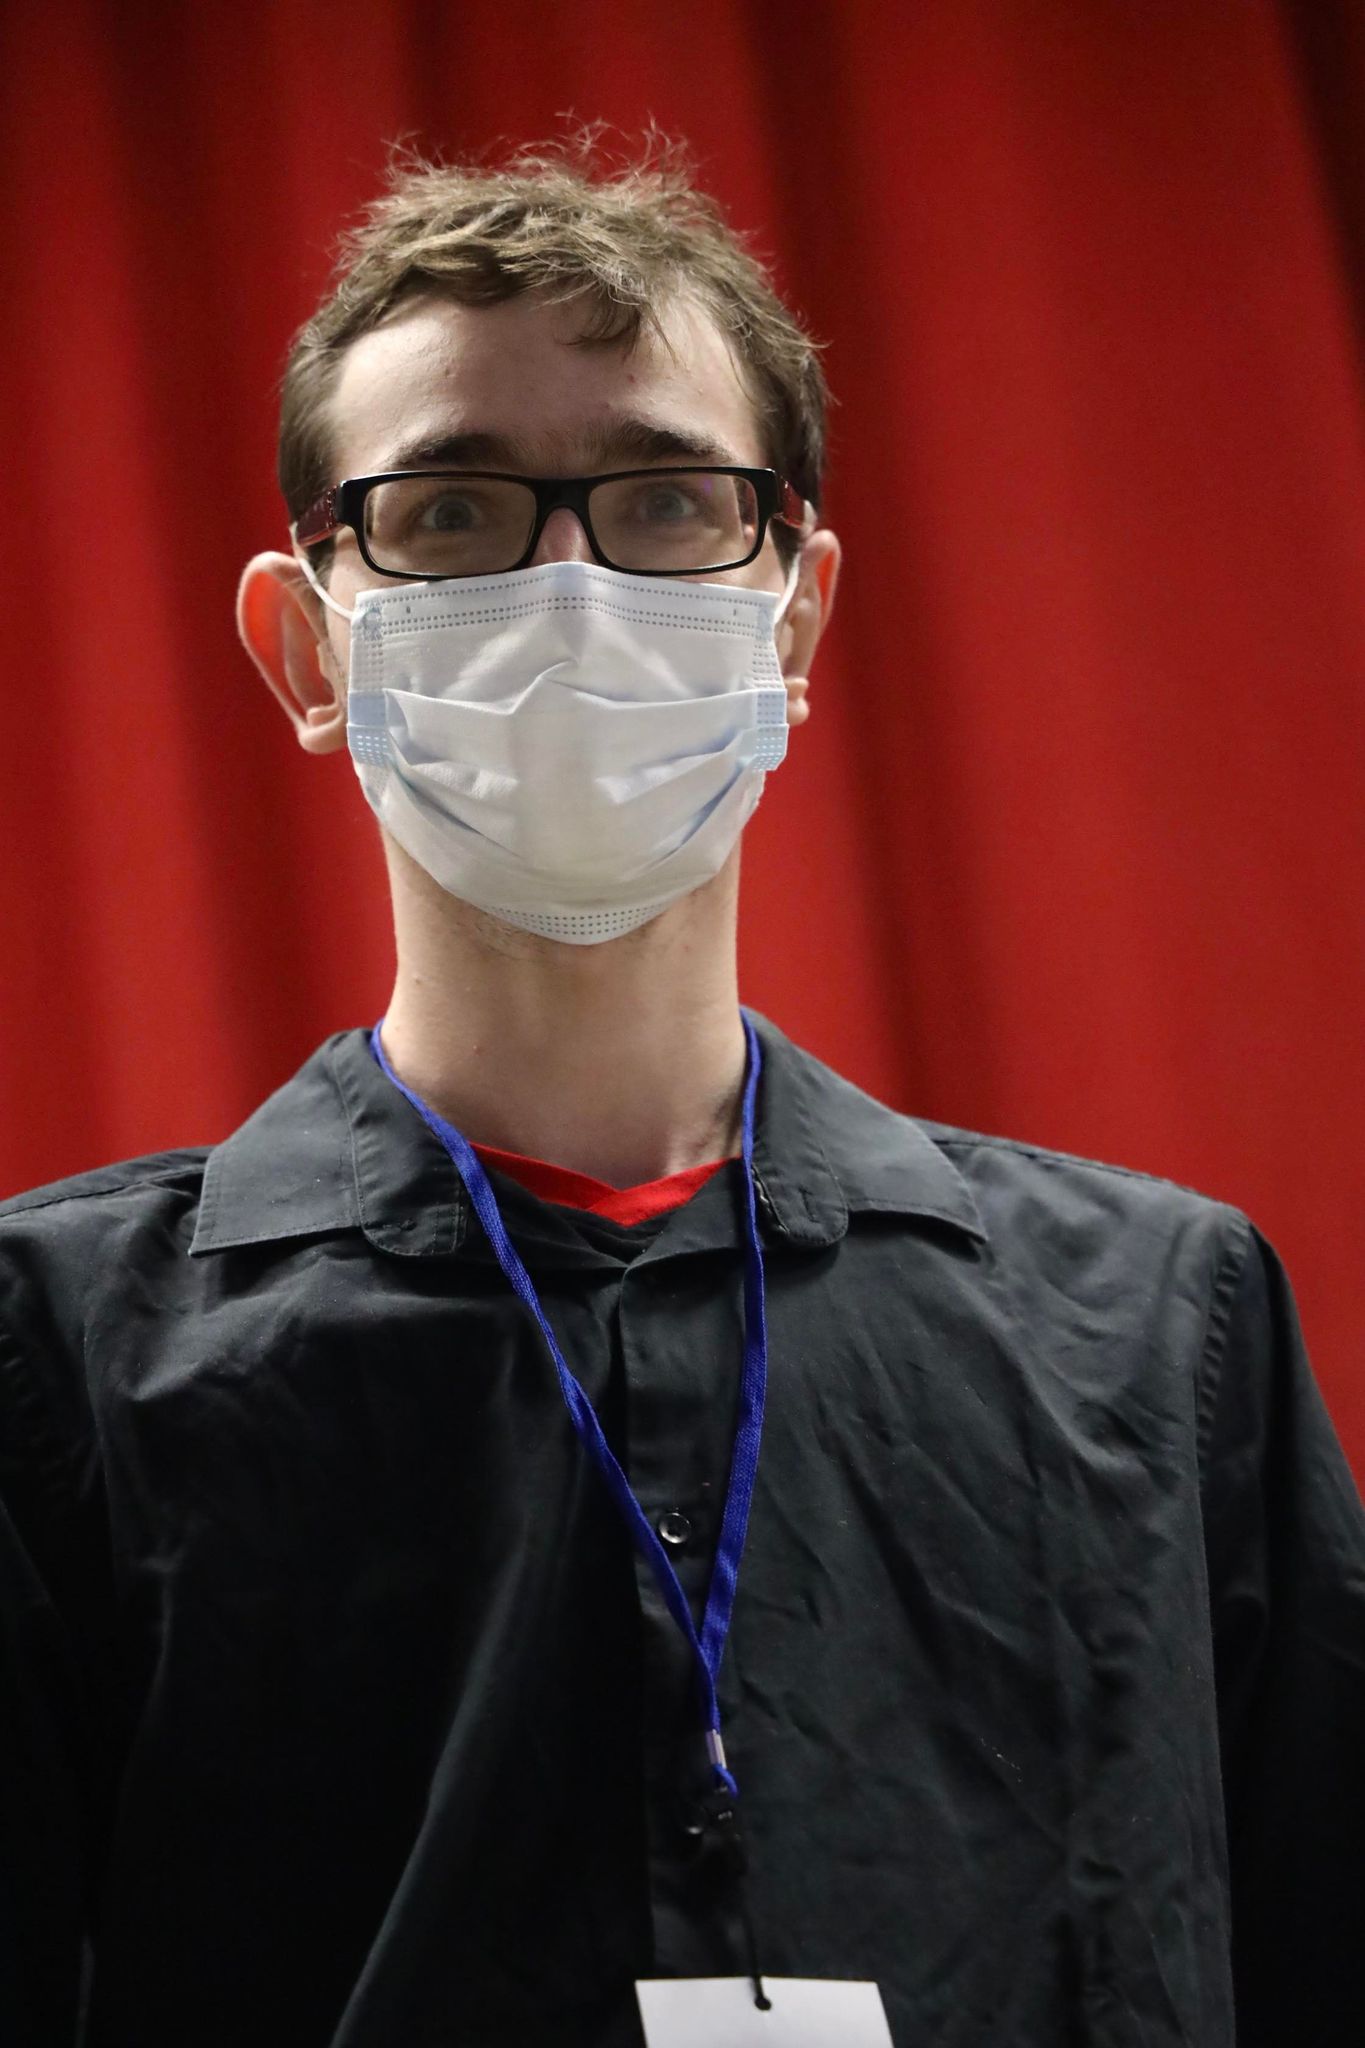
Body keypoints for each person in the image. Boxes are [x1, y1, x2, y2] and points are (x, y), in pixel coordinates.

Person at [1, 139, 1362, 2048]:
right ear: (307, 648)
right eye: (451, 509)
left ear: (790, 621)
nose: (569, 586)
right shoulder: (53, 1363)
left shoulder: (1160, 1328)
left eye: (662, 500)